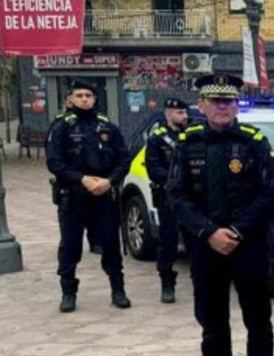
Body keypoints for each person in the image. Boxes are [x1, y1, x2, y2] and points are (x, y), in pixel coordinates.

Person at [168, 74, 274, 356]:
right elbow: (176, 194)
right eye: (215, 101)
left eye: (229, 101)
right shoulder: (187, 143)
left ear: (237, 105)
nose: (222, 107)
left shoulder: (254, 143)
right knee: (212, 324)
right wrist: (207, 232)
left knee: (258, 324)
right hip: (206, 248)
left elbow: (271, 194)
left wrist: (235, 231)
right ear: (200, 105)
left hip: (247, 247)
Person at [46, 79, 131, 313]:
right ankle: (68, 293)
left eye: (89, 95)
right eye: (79, 95)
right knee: (70, 247)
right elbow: (54, 162)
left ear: (95, 99)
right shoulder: (61, 126)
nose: (84, 99)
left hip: (104, 195)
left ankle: (118, 290)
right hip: (73, 195)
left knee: (111, 245)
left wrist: (110, 181)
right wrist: (81, 178)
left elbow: (124, 159)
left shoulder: (107, 127)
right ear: (70, 98)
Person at [144, 97, 191, 303]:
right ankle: (167, 282)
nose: (184, 116)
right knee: (168, 241)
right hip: (168, 196)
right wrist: (176, 181)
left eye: (185, 112)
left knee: (195, 241)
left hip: (192, 198)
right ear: (168, 114)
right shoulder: (157, 139)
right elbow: (154, 169)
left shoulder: (193, 135)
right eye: (179, 113)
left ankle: (201, 281)